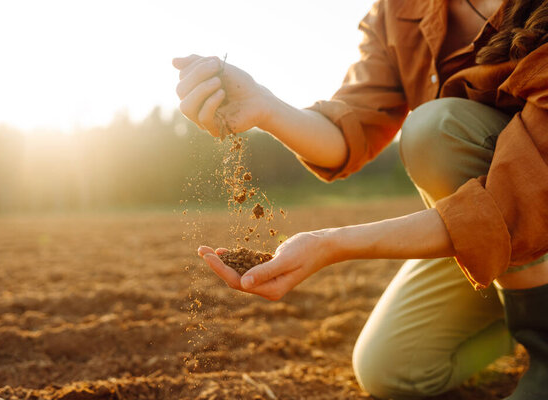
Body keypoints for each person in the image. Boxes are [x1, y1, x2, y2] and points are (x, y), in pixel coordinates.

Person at [173, 0, 548, 398]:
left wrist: (331, 242)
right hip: (491, 231)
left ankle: (542, 341)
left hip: (533, 199)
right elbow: (351, 130)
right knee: (391, 369)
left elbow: (525, 188)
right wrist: (264, 106)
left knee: (434, 131)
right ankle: (514, 310)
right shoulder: (400, 10)